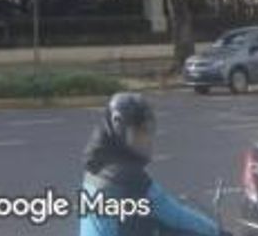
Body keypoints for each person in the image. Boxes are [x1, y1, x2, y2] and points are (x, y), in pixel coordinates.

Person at [80, 92, 223, 236]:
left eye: (149, 131)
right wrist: (218, 232)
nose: (147, 140)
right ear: (120, 131)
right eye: (139, 133)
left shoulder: (95, 167)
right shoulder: (128, 177)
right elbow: (176, 215)